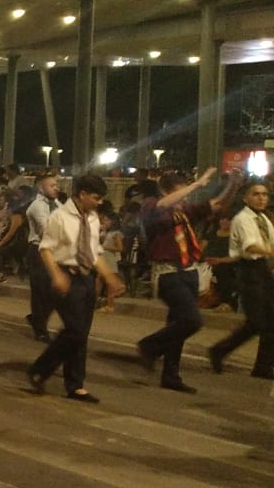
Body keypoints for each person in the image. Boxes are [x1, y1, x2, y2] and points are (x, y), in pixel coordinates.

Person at [137, 168, 240, 392]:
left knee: (178, 323)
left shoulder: (184, 212)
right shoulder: (152, 207)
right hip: (168, 272)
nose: (184, 198)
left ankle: (171, 374)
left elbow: (218, 205)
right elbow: (163, 205)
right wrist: (196, 184)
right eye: (180, 193)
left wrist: (233, 184)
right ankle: (149, 345)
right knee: (191, 320)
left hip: (189, 271)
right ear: (166, 191)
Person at [28, 175, 125, 403]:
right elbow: (45, 249)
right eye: (96, 197)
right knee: (76, 330)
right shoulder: (59, 217)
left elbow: (94, 253)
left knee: (81, 334)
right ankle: (40, 369)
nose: (99, 202)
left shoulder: (92, 218)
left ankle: (75, 384)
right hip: (66, 275)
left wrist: (109, 277)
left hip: (86, 279)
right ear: (82, 194)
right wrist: (57, 275)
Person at [208, 181, 274, 378]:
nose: (261, 198)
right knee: (257, 322)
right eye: (256, 194)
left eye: (264, 194)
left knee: (270, 321)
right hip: (249, 271)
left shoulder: (263, 219)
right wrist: (271, 253)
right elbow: (249, 246)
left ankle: (262, 367)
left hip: (263, 270)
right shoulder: (243, 219)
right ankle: (219, 350)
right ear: (246, 198)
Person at [24, 173, 61, 341]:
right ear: (41, 188)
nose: (56, 188)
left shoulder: (57, 204)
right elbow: (47, 229)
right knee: (41, 291)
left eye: (56, 185)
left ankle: (37, 318)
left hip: (54, 251)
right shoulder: (37, 206)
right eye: (52, 185)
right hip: (38, 250)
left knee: (55, 291)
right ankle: (40, 329)